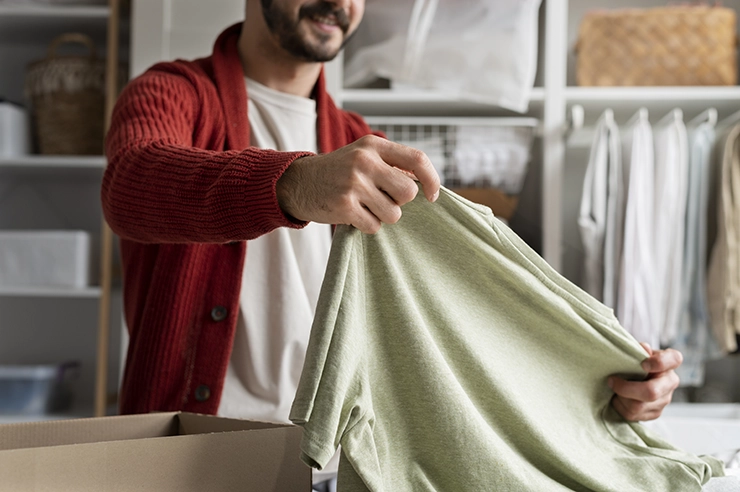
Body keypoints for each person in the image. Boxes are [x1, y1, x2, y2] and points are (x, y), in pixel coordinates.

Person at [102, 0, 681, 427]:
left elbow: (450, 316)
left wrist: (603, 381)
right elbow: (132, 187)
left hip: (331, 457)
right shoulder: (172, 92)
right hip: (182, 449)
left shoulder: (359, 141)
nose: (341, 4)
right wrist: (294, 183)